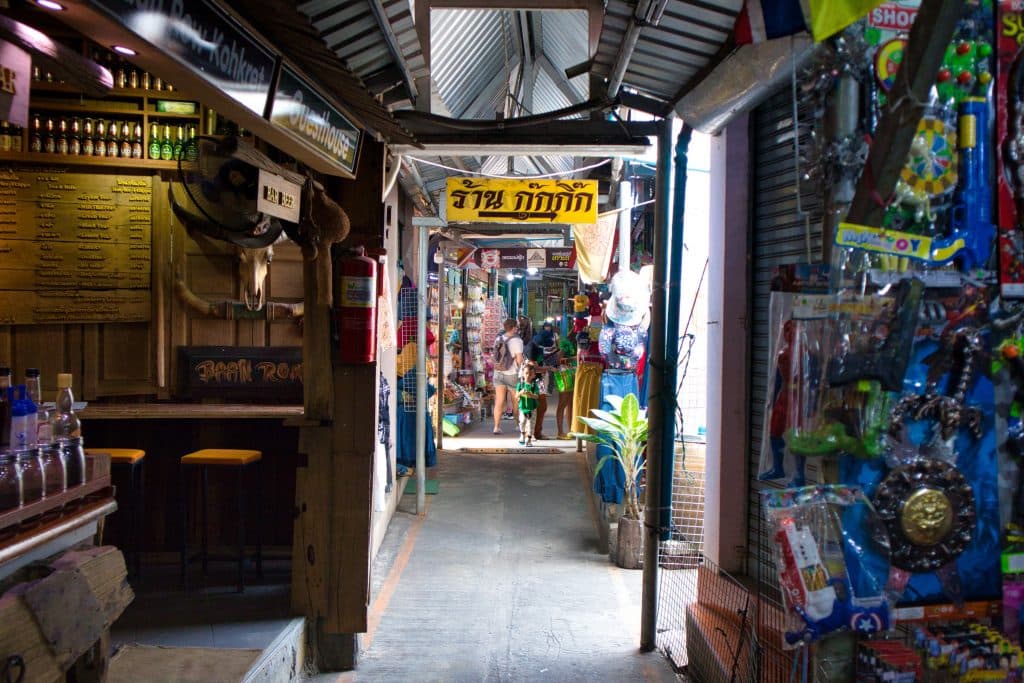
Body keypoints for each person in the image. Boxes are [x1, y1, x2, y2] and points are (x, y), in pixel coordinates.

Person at [491, 318, 524, 435]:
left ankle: (496, 427)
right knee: (516, 401)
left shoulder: (498, 339)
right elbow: (519, 360)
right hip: (512, 374)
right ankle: (518, 425)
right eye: (516, 327)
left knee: (499, 401)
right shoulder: (517, 341)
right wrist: (523, 370)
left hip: (498, 373)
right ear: (514, 328)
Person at [555, 332, 577, 439]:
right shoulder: (565, 342)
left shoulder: (575, 342)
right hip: (564, 375)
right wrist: (574, 358)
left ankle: (571, 430)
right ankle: (560, 432)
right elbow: (558, 360)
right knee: (563, 403)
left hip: (572, 374)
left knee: (571, 404)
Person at [516, 361, 541, 446]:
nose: (528, 376)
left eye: (530, 374)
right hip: (523, 408)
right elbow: (516, 396)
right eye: (526, 373)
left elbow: (537, 396)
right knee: (522, 422)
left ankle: (529, 439)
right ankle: (522, 434)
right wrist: (521, 393)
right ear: (523, 373)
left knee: (531, 424)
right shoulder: (520, 385)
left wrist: (531, 395)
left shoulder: (534, 386)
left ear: (534, 375)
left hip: (532, 408)